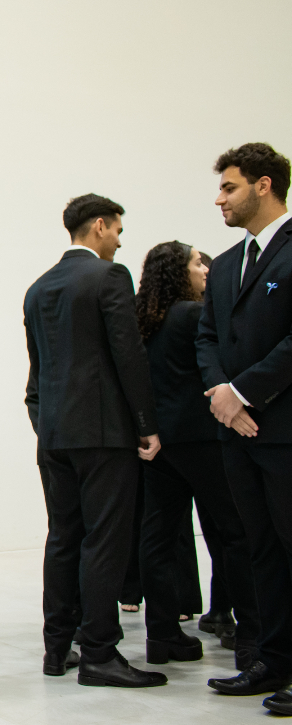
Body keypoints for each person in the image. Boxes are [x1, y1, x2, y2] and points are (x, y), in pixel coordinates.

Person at [24, 194, 166, 688]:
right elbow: (129, 355)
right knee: (105, 540)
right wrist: (146, 424)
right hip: (105, 433)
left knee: (63, 538)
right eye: (118, 231)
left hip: (54, 435)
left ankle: (56, 649)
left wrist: (43, 423)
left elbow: (38, 369)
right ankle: (100, 654)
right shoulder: (110, 276)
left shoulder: (38, 287)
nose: (120, 241)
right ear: (100, 225)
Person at [196, 143, 292, 709]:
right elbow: (206, 336)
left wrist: (243, 392)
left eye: (228, 187)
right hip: (235, 430)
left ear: (264, 185)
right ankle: (272, 662)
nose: (219, 199)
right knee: (261, 549)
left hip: (283, 428)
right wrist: (221, 395)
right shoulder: (230, 261)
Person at [135, 241, 259, 668]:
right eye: (196, 263)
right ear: (178, 272)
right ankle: (251, 635)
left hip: (160, 442)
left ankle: (162, 635)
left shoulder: (143, 320)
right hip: (203, 440)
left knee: (158, 538)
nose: (205, 269)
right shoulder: (192, 315)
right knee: (235, 534)